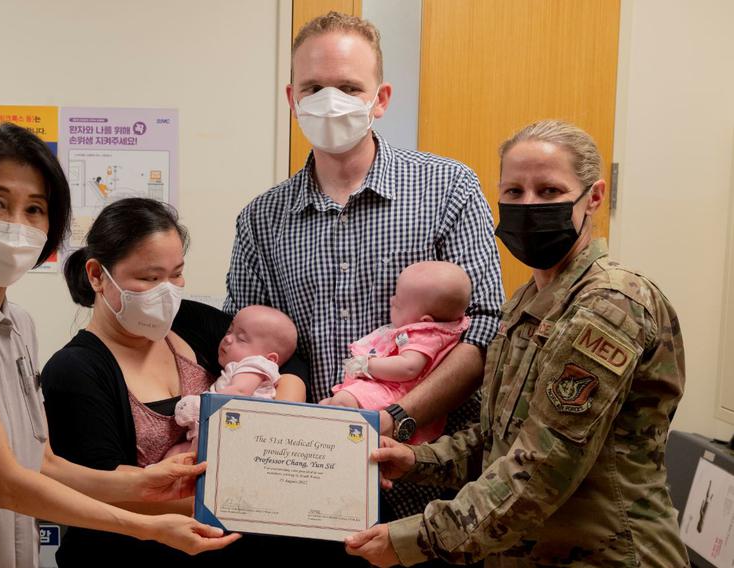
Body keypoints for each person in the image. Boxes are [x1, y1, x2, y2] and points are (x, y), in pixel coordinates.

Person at [0, 123, 238, 568]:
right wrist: (149, 526)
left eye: (35, 209)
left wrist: (146, 483)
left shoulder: (17, 323)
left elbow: (43, 464)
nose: (17, 224)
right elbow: (4, 483)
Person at [344, 120, 688, 567]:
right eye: (514, 192)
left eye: (548, 192)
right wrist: (415, 459)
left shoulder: (609, 305)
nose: (529, 205)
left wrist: (415, 539)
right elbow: (497, 441)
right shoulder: (525, 303)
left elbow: (542, 468)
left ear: (594, 197)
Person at [224, 10, 504, 522]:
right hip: (305, 489)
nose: (330, 102)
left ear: (381, 99)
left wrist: (394, 418)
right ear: (291, 100)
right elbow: (247, 345)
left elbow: (485, 328)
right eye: (313, 88)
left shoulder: (448, 190)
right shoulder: (261, 220)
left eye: (350, 87)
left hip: (428, 484)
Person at [42, 198, 306, 565]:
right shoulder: (74, 370)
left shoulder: (191, 322)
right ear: (97, 275)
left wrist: (285, 413)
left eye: (176, 273)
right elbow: (105, 489)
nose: (167, 291)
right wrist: (241, 496)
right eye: (149, 278)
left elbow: (285, 354)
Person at [320, 261, 471, 445]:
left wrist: (368, 365)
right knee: (328, 406)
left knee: (343, 402)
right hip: (389, 390)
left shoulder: (424, 336)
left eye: (398, 305)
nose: (391, 301)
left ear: (425, 320)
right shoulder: (437, 329)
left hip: (396, 394)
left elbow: (409, 367)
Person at [170, 305, 299, 454]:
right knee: (176, 452)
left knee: (184, 454)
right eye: (229, 331)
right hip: (221, 429)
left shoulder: (256, 364)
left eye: (242, 339)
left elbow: (239, 391)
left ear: (270, 359)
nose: (227, 338)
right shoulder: (237, 368)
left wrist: (199, 405)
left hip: (237, 431)